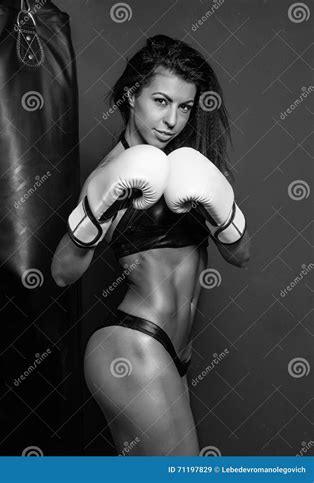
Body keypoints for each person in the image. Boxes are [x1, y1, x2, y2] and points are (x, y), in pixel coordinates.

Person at [51, 35, 251, 456]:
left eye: (185, 107)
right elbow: (61, 272)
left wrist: (221, 210)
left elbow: (241, 254)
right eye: (161, 101)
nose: (173, 120)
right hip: (133, 346)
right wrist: (99, 208)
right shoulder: (118, 172)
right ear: (131, 95)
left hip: (173, 356)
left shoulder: (188, 166)